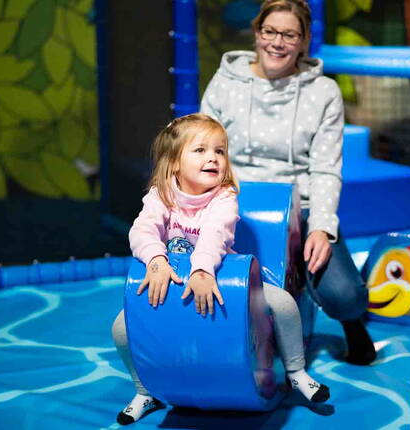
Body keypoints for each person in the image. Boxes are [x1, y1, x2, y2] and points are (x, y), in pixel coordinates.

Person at [111, 113, 330, 425]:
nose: (212, 158)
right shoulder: (161, 195)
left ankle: (296, 372)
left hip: (219, 276)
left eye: (219, 151)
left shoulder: (224, 198)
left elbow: (216, 234)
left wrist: (201, 270)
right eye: (200, 150)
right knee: (121, 329)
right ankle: (145, 388)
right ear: (174, 162)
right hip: (171, 280)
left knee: (282, 303)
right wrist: (156, 260)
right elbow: (142, 230)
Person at [200, 0, 377, 366]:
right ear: (257, 33)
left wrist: (322, 229)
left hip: (302, 208)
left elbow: (326, 167)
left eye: (289, 35)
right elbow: (202, 150)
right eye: (270, 32)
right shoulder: (225, 82)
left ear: (303, 41)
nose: (277, 43)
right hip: (235, 204)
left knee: (345, 294)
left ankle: (351, 322)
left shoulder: (323, 92)